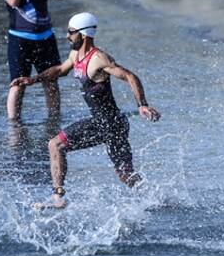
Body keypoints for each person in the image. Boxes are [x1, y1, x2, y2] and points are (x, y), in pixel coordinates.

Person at [12, 12, 160, 208]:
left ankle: (58, 197)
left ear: (84, 35)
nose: (67, 36)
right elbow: (59, 70)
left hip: (108, 122)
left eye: (71, 32)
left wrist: (142, 104)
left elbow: (130, 77)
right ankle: (155, 199)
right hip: (112, 123)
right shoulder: (75, 55)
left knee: (55, 145)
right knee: (125, 174)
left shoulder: (99, 58)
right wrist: (33, 80)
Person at [2, 0, 65, 123]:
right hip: (19, 39)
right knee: (17, 84)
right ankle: (14, 124)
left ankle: (54, 121)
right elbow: (12, 1)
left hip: (45, 38)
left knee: (51, 81)